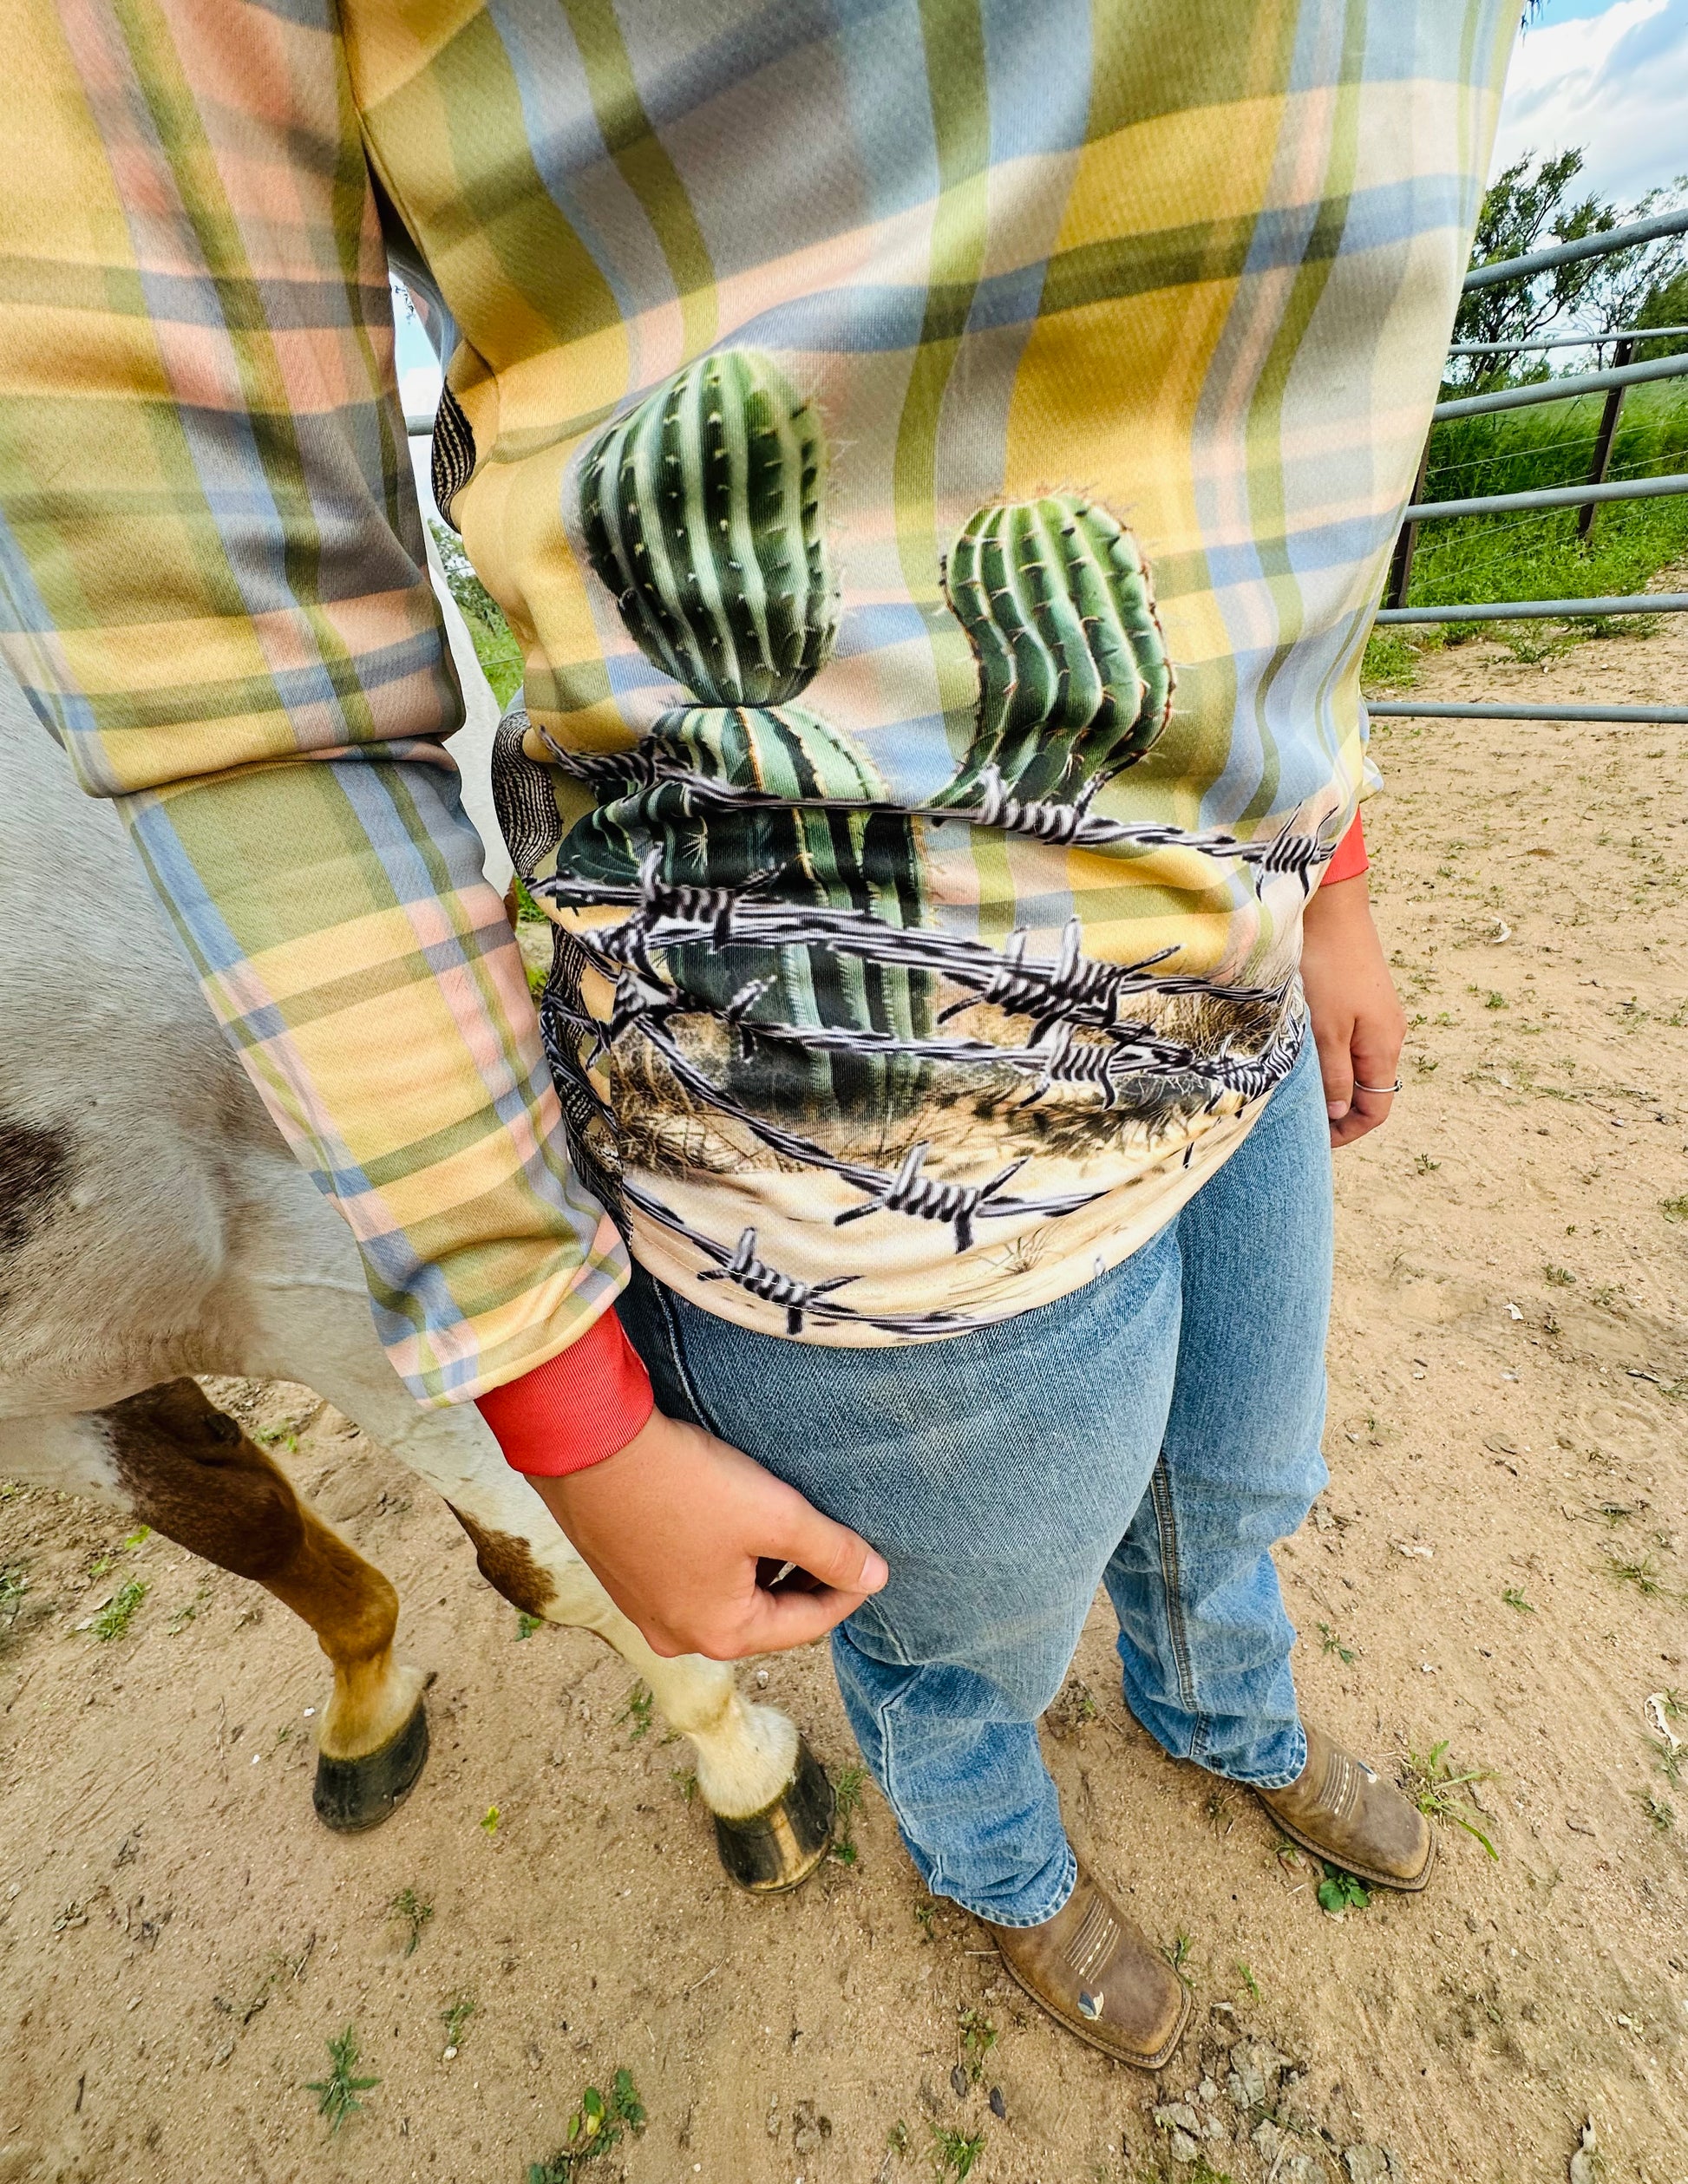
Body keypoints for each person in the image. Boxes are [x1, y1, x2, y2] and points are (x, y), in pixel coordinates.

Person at [2, 0, 1520, 2069]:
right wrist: (554, 1380)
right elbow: (219, 621)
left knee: (1243, 1474)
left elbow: (1298, 418)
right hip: (856, 1149)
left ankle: (1217, 1705)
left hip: (1234, 960)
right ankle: (1000, 1858)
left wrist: (1330, 871)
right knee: (962, 1634)